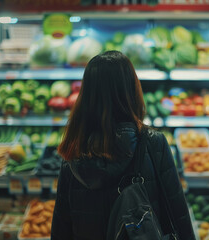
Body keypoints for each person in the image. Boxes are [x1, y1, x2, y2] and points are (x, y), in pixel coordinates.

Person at [51, 51, 195, 240]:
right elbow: (179, 216)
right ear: (131, 90)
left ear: (86, 95)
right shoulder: (154, 143)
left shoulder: (73, 150)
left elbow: (61, 227)